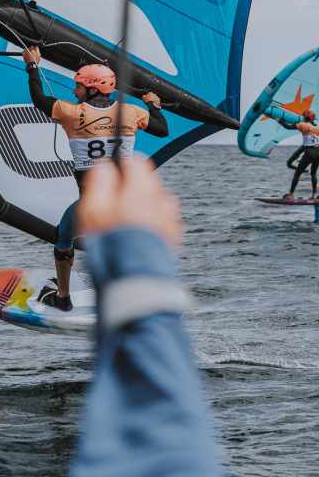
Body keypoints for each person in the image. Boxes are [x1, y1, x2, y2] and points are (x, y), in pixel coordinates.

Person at [72, 155, 222, 477]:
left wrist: (129, 256)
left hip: (98, 193)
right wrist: (141, 256)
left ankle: (63, 295)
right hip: (126, 243)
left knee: (67, 239)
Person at [23, 46, 168, 311]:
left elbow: (38, 99)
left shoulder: (70, 113)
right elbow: (162, 130)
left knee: (63, 239)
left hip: (91, 203)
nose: (74, 91)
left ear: (92, 88)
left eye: (78, 86)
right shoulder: (131, 113)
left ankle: (63, 298)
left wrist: (32, 66)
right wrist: (154, 105)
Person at [282, 109, 319, 200]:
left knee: (297, 174)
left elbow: (287, 127)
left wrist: (279, 120)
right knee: (313, 174)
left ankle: (291, 194)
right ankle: (314, 195)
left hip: (309, 152)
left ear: (304, 118)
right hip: (318, 152)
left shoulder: (303, 125)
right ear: (313, 118)